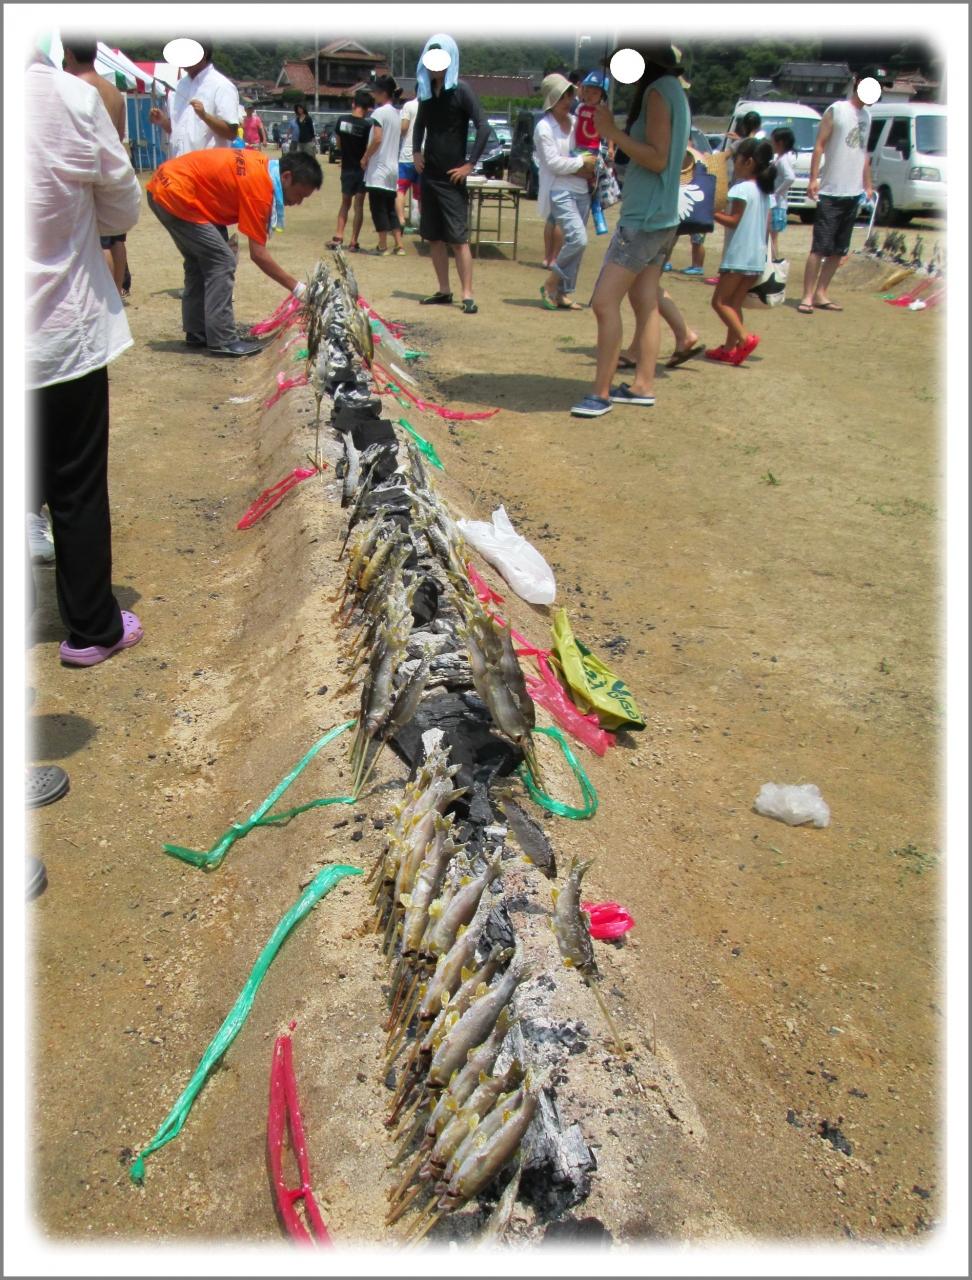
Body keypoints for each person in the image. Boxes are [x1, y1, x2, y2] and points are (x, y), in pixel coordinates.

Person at [27, 50, 143, 672]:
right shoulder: (72, 98)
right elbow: (122, 207)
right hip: (58, 331)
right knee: (74, 484)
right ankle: (92, 628)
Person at [570, 42, 690, 417]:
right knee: (645, 299)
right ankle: (642, 385)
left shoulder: (657, 93)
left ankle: (601, 392)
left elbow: (657, 158)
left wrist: (612, 132)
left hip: (644, 217)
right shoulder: (672, 90)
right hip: (661, 214)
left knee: (604, 302)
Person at [147, 148, 322, 356]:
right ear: (286, 177)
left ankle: (197, 330)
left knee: (200, 259)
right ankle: (223, 339)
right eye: (299, 195)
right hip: (176, 193)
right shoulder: (260, 190)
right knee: (222, 260)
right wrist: (299, 289)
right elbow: (258, 254)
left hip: (165, 184)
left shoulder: (262, 166)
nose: (298, 202)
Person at [412, 34, 491, 314]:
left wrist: (470, 164)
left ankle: (467, 294)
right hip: (429, 174)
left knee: (458, 239)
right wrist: (416, 151)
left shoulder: (461, 90)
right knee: (433, 237)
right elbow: (419, 125)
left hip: (452, 177)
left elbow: (483, 126)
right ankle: (444, 290)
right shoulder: (426, 92)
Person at [798, 69, 875, 314]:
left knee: (839, 249)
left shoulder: (868, 117)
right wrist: (813, 178)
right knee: (819, 247)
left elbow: (863, 153)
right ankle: (807, 295)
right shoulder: (837, 109)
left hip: (853, 191)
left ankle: (821, 292)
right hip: (831, 190)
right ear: (857, 83)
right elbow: (819, 145)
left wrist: (868, 184)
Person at [61, 38, 130, 296]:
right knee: (117, 240)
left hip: (86, 169)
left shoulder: (73, 87)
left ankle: (106, 294)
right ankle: (118, 290)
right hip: (113, 168)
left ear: (69, 54)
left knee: (100, 243)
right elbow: (119, 136)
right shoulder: (114, 92)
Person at [705, 137, 775, 366]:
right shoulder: (765, 191)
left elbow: (734, 220)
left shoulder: (741, 188)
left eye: (737, 159)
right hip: (756, 256)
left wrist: (711, 213)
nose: (734, 163)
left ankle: (745, 339)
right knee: (734, 303)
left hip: (739, 255)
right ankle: (729, 348)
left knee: (719, 302)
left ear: (748, 162)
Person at [534, 74, 597, 311]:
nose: (567, 101)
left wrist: (586, 164)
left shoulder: (576, 121)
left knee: (575, 243)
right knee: (579, 239)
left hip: (582, 190)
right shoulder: (544, 127)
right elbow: (553, 163)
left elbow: (590, 148)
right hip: (559, 190)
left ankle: (563, 292)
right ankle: (551, 283)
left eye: (570, 95)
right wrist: (581, 163)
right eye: (562, 96)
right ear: (551, 99)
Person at [148, 40, 239, 158]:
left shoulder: (221, 85)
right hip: (179, 163)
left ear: (204, 53)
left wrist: (205, 116)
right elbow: (178, 132)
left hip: (208, 165)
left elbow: (231, 133)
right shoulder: (177, 87)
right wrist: (163, 121)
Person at [361, 75, 406, 255]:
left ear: (383, 93)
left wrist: (365, 156)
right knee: (390, 208)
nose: (374, 94)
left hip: (379, 168)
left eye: (376, 91)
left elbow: (377, 138)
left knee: (378, 207)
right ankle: (399, 245)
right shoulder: (397, 114)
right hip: (393, 168)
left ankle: (382, 245)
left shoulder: (379, 113)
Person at [328, 88, 375, 252]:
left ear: (354, 104)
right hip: (362, 169)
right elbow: (369, 147)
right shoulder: (368, 126)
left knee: (345, 203)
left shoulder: (342, 121)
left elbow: (338, 143)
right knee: (359, 206)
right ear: (368, 108)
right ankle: (354, 241)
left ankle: (338, 235)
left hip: (347, 167)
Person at [396, 92, 422, 230]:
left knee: (401, 189)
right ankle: (423, 223)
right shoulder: (432, 105)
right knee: (421, 193)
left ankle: (401, 221)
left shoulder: (409, 105)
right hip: (423, 155)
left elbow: (404, 127)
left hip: (407, 154)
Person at [769, 127, 795, 261]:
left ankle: (773, 262)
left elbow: (790, 177)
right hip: (777, 202)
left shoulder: (783, 159)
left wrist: (777, 192)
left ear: (780, 143)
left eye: (772, 141)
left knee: (772, 237)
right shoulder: (780, 158)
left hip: (777, 204)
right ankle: (772, 261)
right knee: (772, 236)